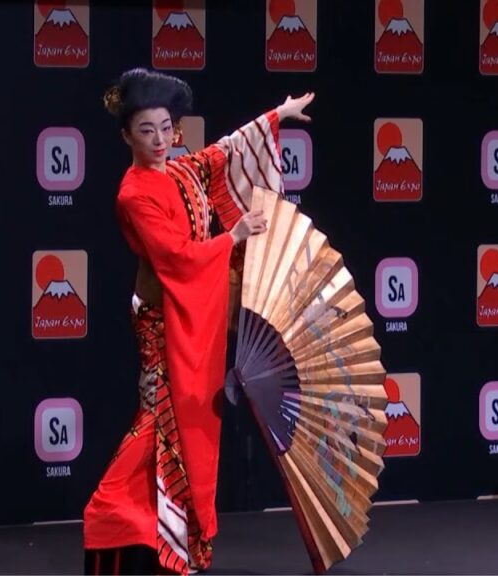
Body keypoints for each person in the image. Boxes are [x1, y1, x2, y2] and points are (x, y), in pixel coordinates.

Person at [82, 67, 314, 575]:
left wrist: (278, 115)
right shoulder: (134, 194)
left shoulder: (180, 169)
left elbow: (222, 153)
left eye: (166, 128)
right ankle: (108, 515)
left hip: (190, 313)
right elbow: (176, 257)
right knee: (162, 420)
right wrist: (233, 237)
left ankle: (163, 535)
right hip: (162, 320)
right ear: (126, 136)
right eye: (146, 130)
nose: (159, 140)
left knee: (182, 424)